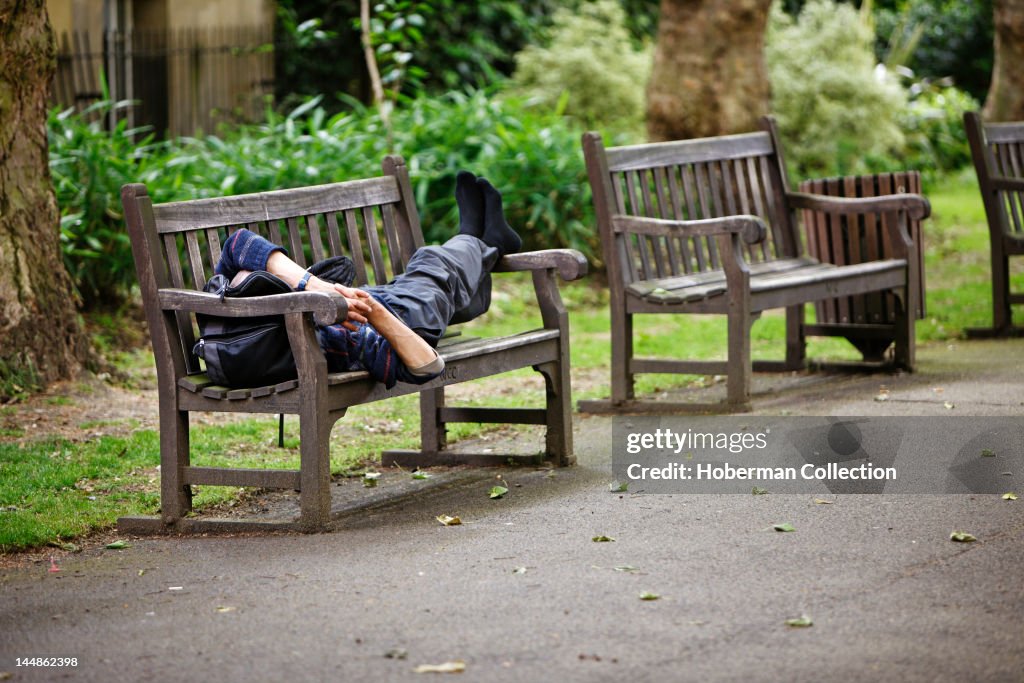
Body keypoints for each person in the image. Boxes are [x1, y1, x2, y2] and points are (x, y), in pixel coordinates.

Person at [212, 172, 523, 388]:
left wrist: (315, 286)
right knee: (430, 266)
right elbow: (427, 365)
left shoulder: (231, 308)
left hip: (359, 300)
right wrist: (374, 312)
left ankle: (481, 246)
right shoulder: (335, 338)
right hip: (402, 318)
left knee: (430, 274)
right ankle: (481, 240)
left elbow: (239, 243)